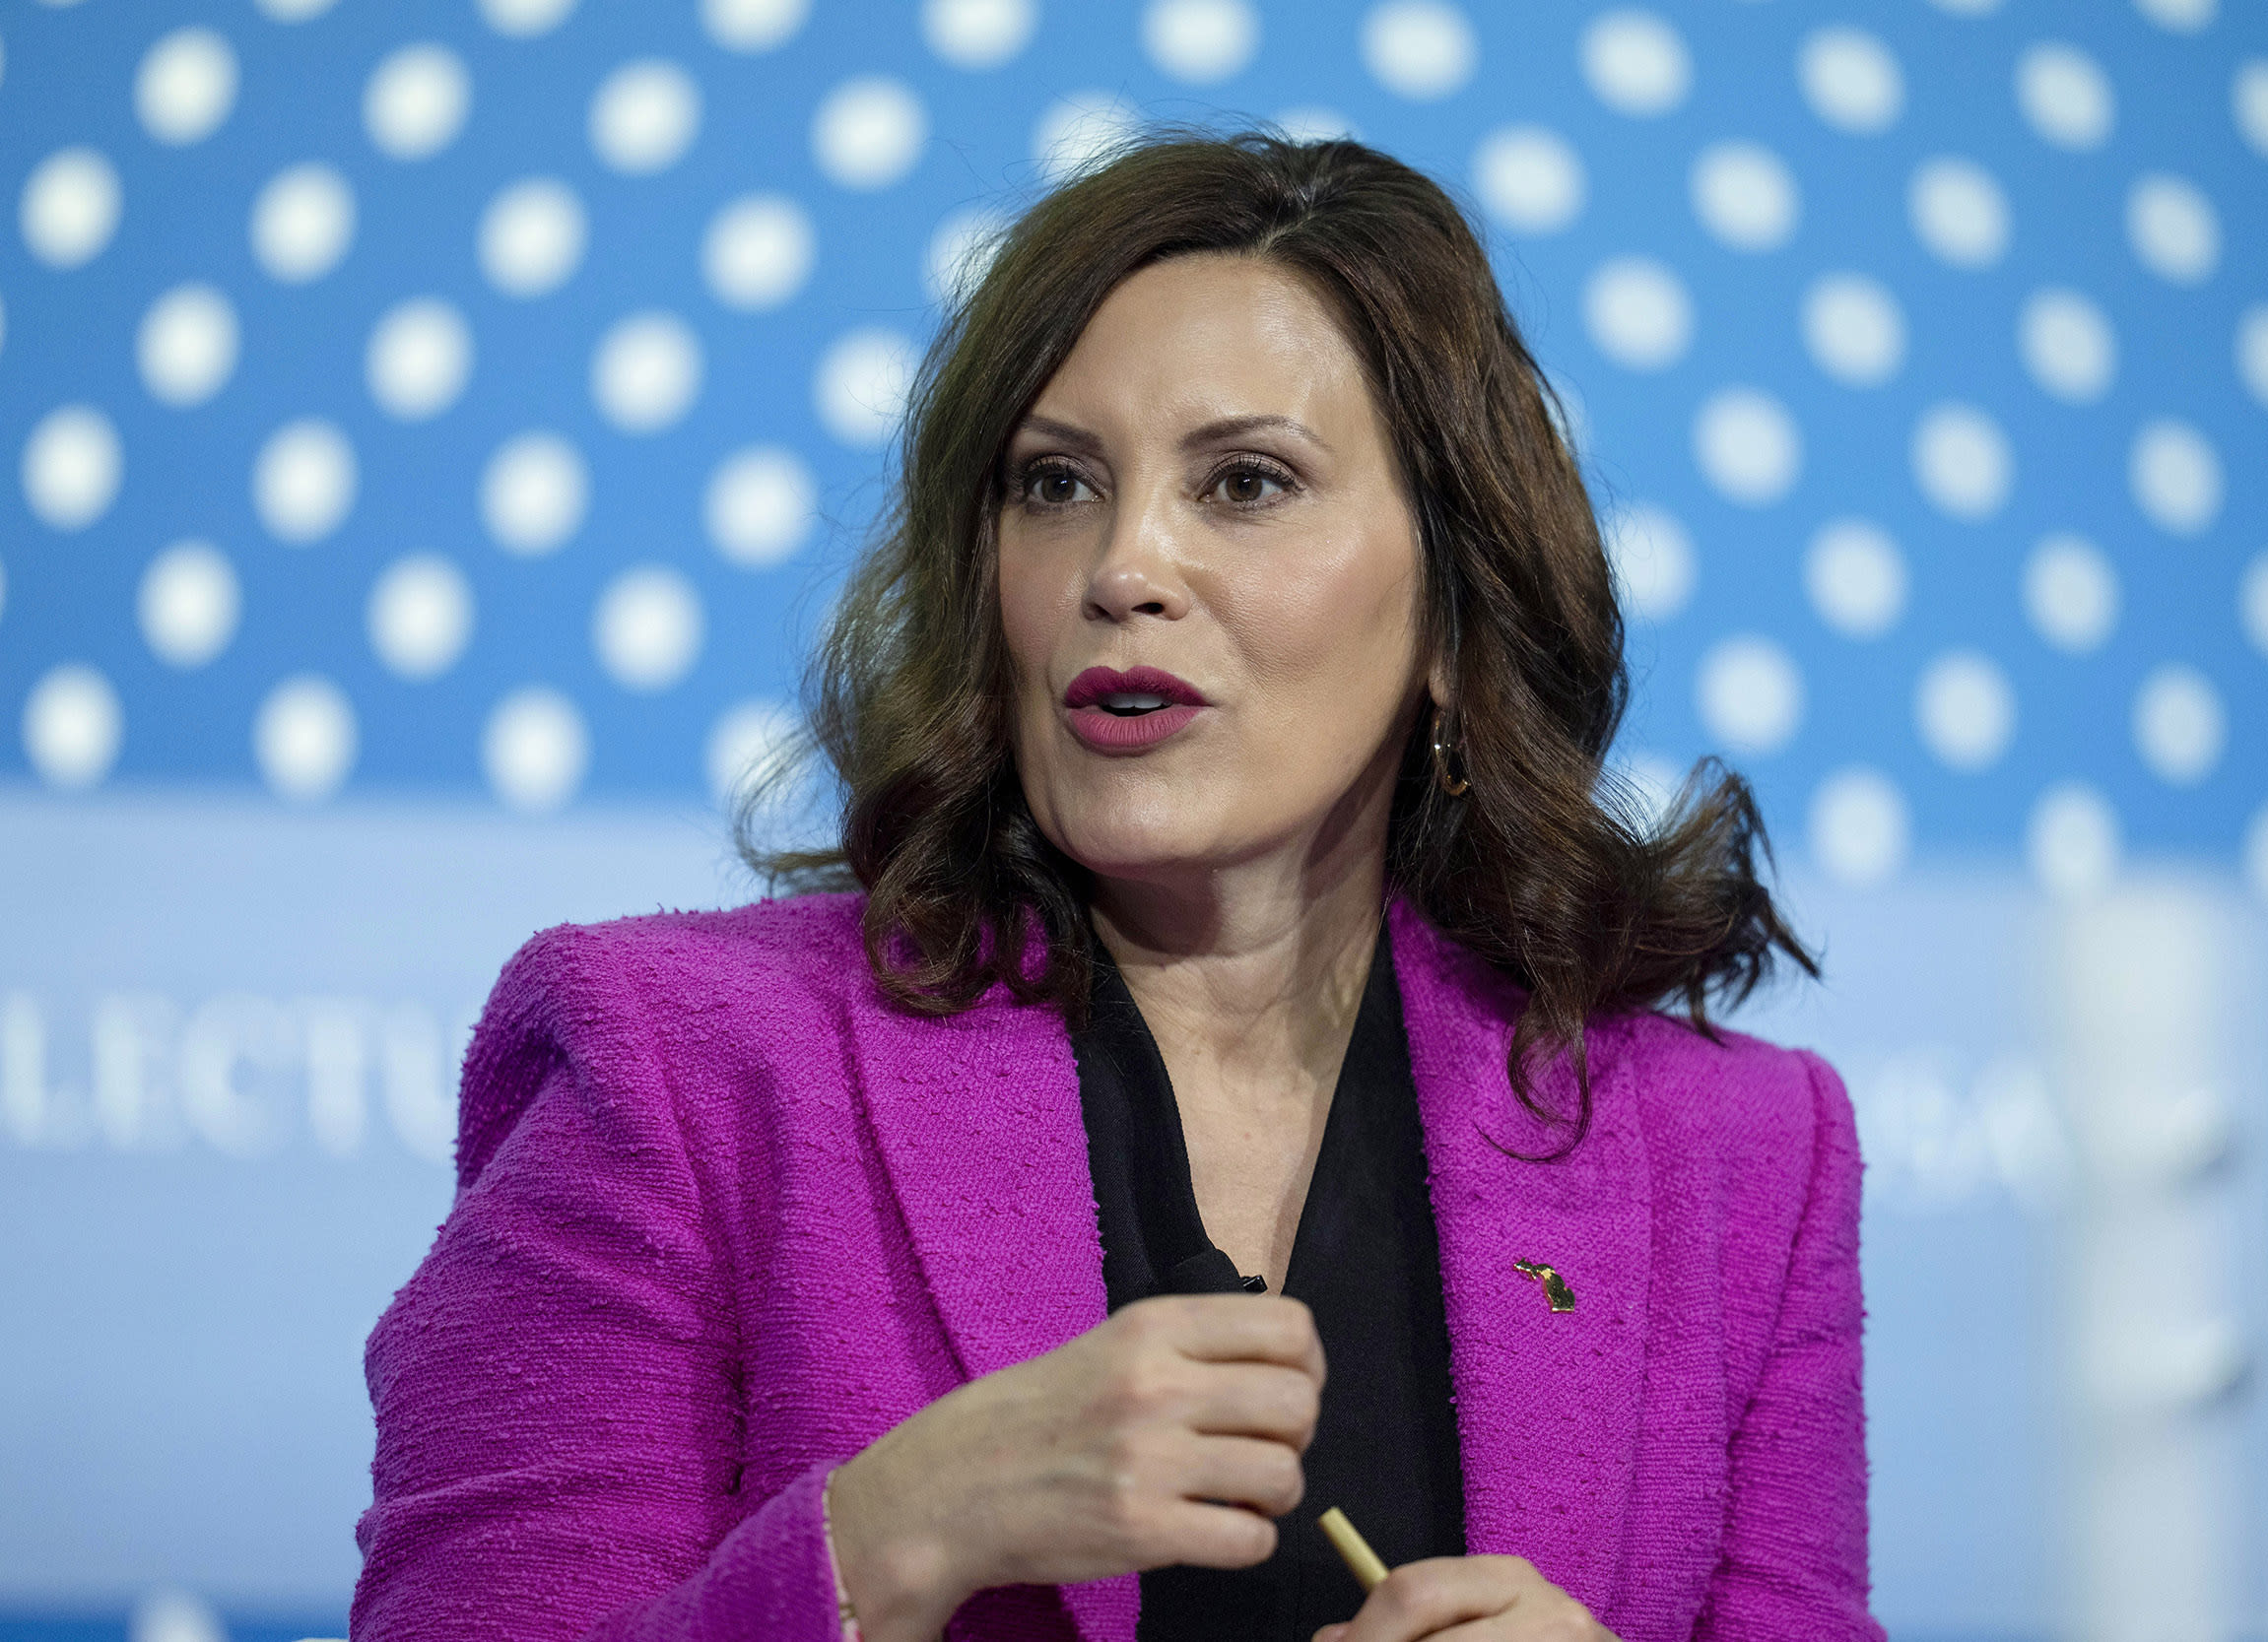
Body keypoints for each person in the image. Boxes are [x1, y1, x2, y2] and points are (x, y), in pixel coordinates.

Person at [351, 129, 1883, 1642]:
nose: (1122, 565)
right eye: (1056, 483)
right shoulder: (678, 1063)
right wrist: (892, 1537)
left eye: (1245, 485)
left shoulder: (1740, 1158)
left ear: (1452, 617)